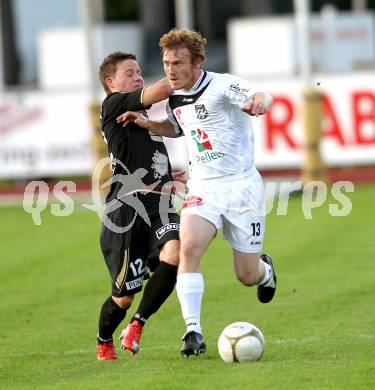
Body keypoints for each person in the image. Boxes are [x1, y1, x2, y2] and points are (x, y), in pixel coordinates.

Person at [118, 29, 277, 358]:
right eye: (165, 63)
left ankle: (266, 272)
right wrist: (149, 124)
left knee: (246, 275)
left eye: (178, 63)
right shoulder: (174, 97)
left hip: (242, 186)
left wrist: (260, 101)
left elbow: (258, 94)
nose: (170, 70)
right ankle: (193, 332)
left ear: (198, 62)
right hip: (204, 186)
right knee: (188, 248)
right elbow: (177, 128)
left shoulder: (221, 86)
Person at [96, 51, 182, 361]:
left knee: (176, 254)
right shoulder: (113, 104)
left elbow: (152, 163)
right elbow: (163, 89)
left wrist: (174, 177)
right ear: (111, 82)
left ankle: (137, 326)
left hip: (158, 204)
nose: (138, 77)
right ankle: (104, 338)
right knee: (123, 297)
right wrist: (183, 68)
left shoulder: (143, 120)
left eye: (138, 72)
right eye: (130, 73)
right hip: (127, 211)